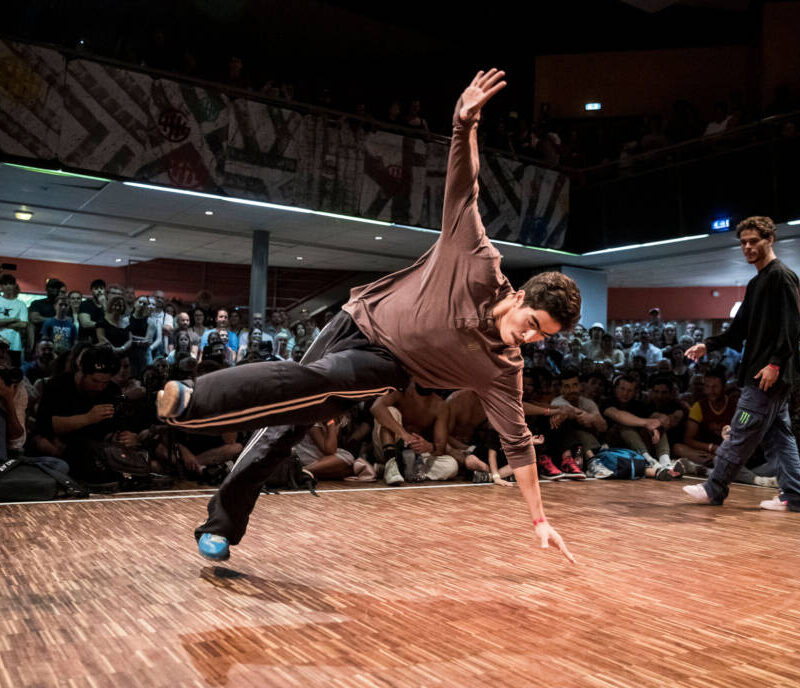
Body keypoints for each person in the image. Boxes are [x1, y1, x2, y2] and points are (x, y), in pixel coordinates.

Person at [158, 69, 580, 563]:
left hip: (386, 364)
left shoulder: (503, 368)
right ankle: (218, 508)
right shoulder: (476, 260)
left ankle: (196, 405)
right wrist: (463, 124)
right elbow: (465, 188)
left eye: (541, 338)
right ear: (522, 297)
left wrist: (540, 520)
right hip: (355, 318)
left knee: (318, 386)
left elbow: (519, 446)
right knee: (284, 423)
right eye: (532, 325)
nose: (529, 338)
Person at [683, 216, 800, 511]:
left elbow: (792, 326)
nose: (747, 247)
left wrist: (774, 364)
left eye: (754, 241)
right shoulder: (757, 282)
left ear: (770, 240)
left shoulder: (781, 277)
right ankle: (795, 496)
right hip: (764, 374)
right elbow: (739, 331)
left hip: (767, 375)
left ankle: (714, 488)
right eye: (743, 242)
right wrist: (707, 345)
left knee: (740, 431)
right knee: (780, 439)